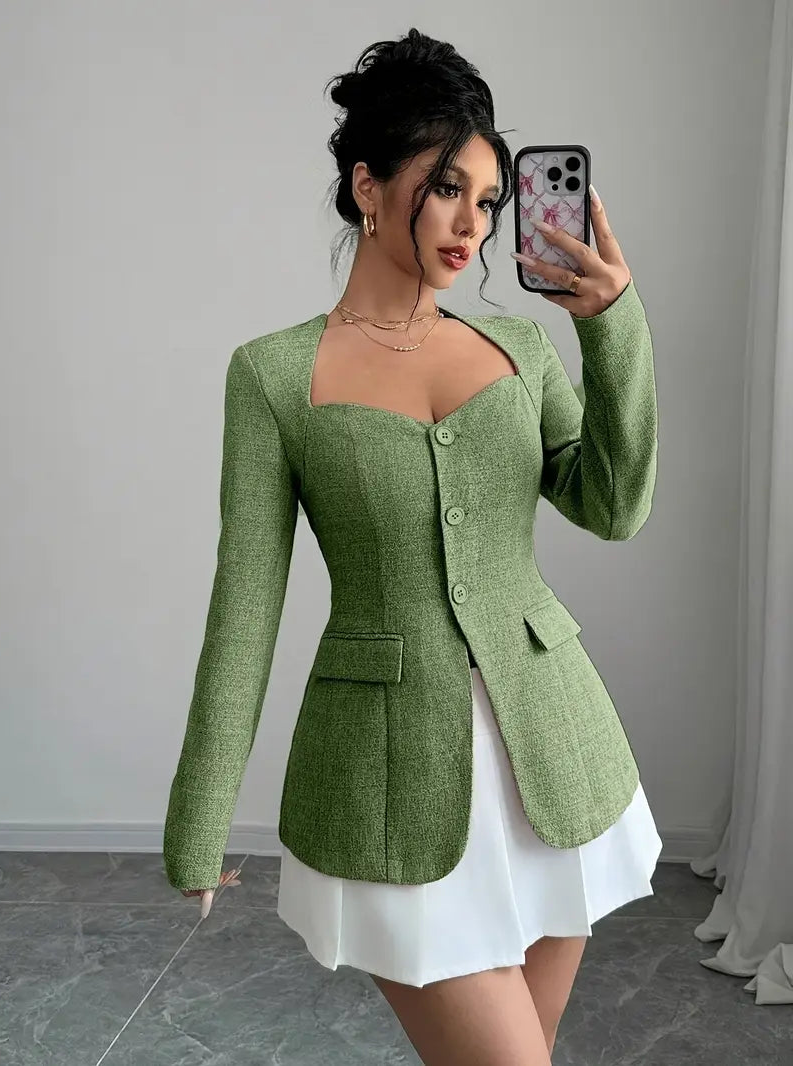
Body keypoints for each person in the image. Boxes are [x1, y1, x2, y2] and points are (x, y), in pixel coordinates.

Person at [164, 27, 662, 1066]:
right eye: (445, 189)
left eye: (488, 200)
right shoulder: (274, 375)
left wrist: (611, 325)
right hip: (385, 780)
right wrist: (199, 820)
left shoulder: (519, 348)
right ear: (367, 187)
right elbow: (245, 605)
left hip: (553, 754)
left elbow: (613, 505)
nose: (472, 224)